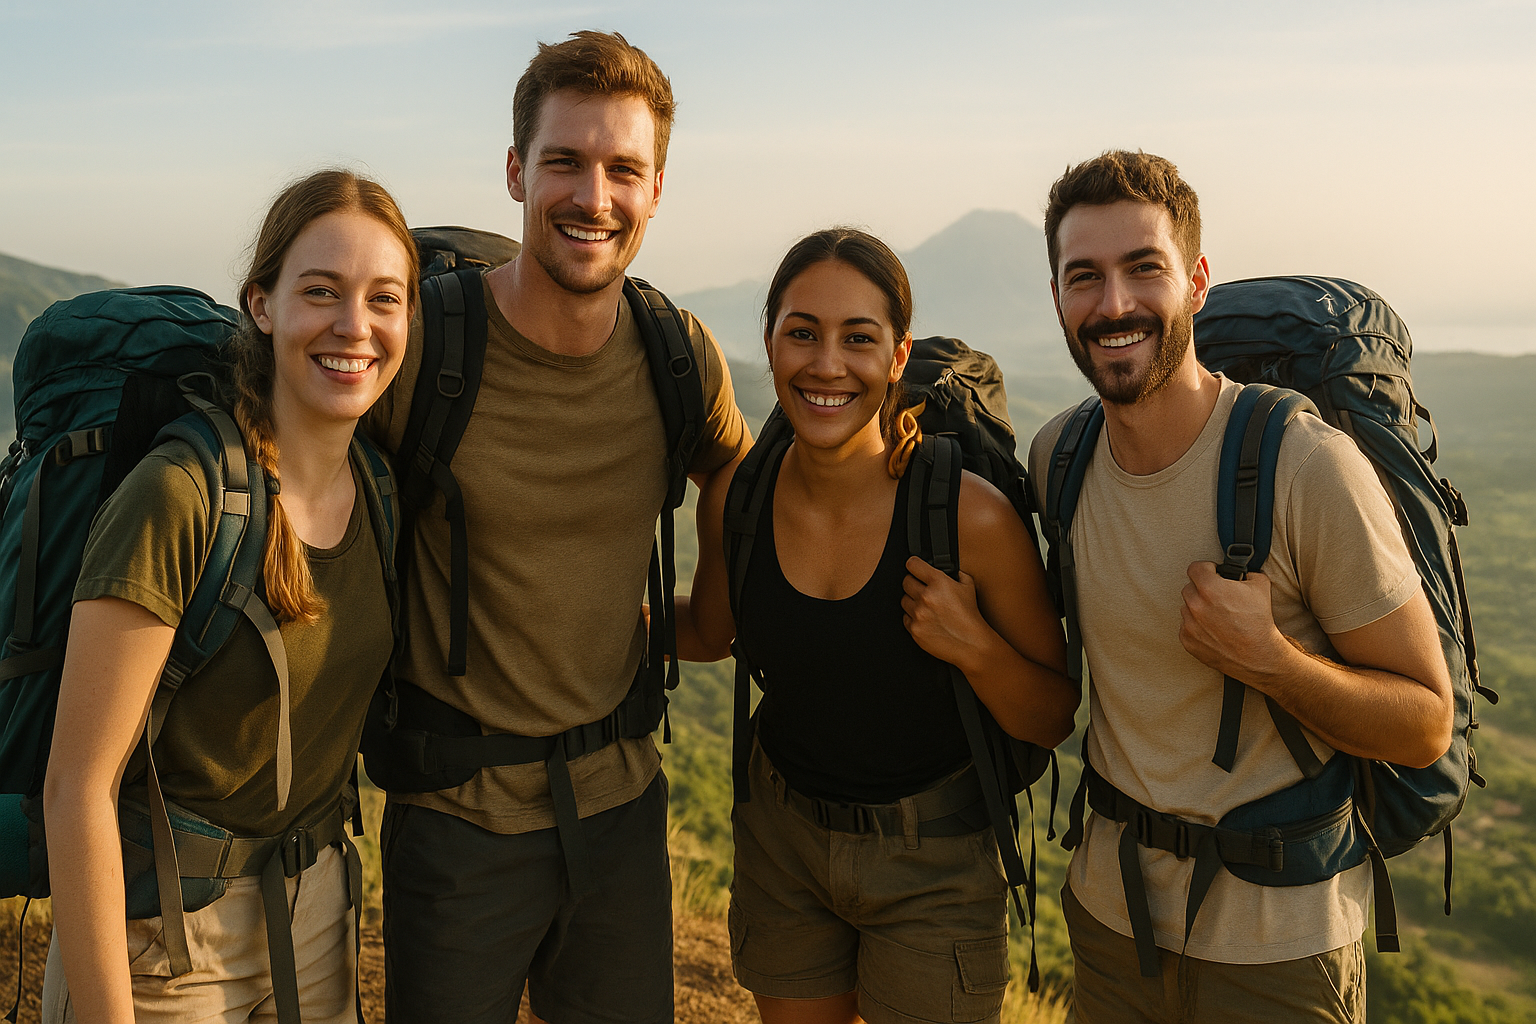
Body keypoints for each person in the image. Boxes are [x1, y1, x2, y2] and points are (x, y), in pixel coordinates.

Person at [366, 31, 749, 1024]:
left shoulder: (677, 354)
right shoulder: (426, 350)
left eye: (623, 168)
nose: (594, 195)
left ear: (656, 187)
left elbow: (735, 473)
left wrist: (702, 625)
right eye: (565, 162)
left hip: (621, 808)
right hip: (456, 816)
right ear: (515, 172)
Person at [1028, 150, 1454, 1023]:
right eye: (1085, 277)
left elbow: (1424, 722)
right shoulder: (1058, 459)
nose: (1114, 305)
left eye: (1144, 269)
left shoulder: (1304, 467)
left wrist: (1273, 663)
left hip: (1280, 944)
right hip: (1114, 925)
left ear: (1197, 282)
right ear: (1059, 298)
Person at [42, 168, 416, 1024]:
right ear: (261, 304)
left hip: (317, 913)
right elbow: (77, 789)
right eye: (320, 291)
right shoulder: (181, 495)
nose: (354, 327)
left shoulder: (381, 491)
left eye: (384, 299)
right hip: (164, 939)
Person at [680, 227, 1078, 1024]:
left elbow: (1053, 712)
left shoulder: (969, 517)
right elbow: (710, 632)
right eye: (802, 334)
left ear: (897, 359)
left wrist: (973, 645)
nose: (827, 365)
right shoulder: (741, 498)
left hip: (935, 858)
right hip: (784, 842)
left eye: (858, 339)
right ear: (770, 344)